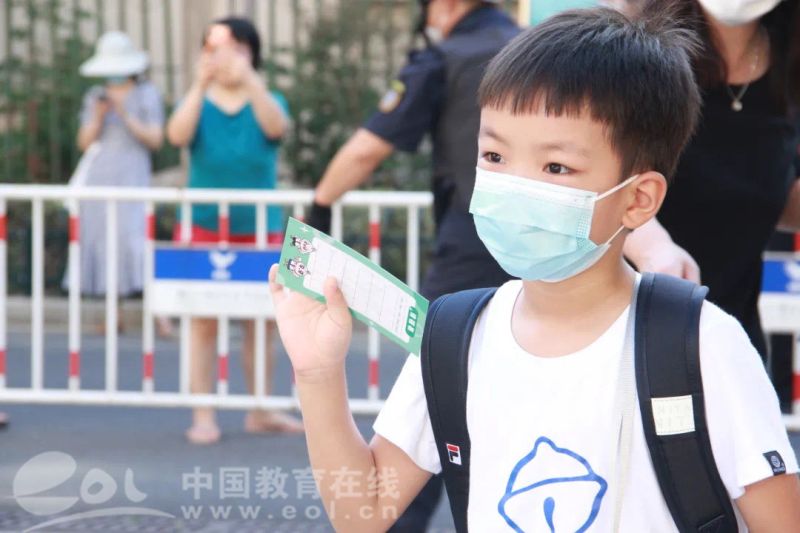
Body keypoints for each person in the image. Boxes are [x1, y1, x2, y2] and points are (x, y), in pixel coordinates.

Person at [268, 6, 800, 531]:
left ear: (638, 199)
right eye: (495, 157)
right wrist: (318, 373)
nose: (515, 185)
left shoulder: (702, 344)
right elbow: (362, 513)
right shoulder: (454, 338)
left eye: (556, 166)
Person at [305, 1, 518, 526]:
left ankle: (395, 516)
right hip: (555, 241)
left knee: (436, 376)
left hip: (473, 243)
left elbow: (368, 148)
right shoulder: (532, 49)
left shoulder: (447, 56)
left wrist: (321, 205)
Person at [624, 0, 800, 360]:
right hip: (633, 327)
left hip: (729, 338)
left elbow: (772, 197)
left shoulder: (787, 65)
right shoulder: (637, 52)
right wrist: (653, 248)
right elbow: (591, 180)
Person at [166, 17, 301, 444]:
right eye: (214, 48)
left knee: (261, 323)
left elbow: (276, 127)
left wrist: (250, 81)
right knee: (202, 322)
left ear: (252, 53)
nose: (225, 57)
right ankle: (203, 413)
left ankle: (261, 408)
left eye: (236, 47)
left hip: (259, 229)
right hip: (205, 225)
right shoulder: (198, 101)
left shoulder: (268, 98)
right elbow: (176, 135)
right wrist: (198, 85)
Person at [67, 31, 164, 331]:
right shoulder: (96, 96)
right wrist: (98, 116)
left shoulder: (146, 94)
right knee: (105, 241)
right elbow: (84, 141)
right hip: (100, 176)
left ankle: (160, 315)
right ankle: (113, 314)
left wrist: (124, 113)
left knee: (135, 240)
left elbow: (156, 139)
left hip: (132, 174)